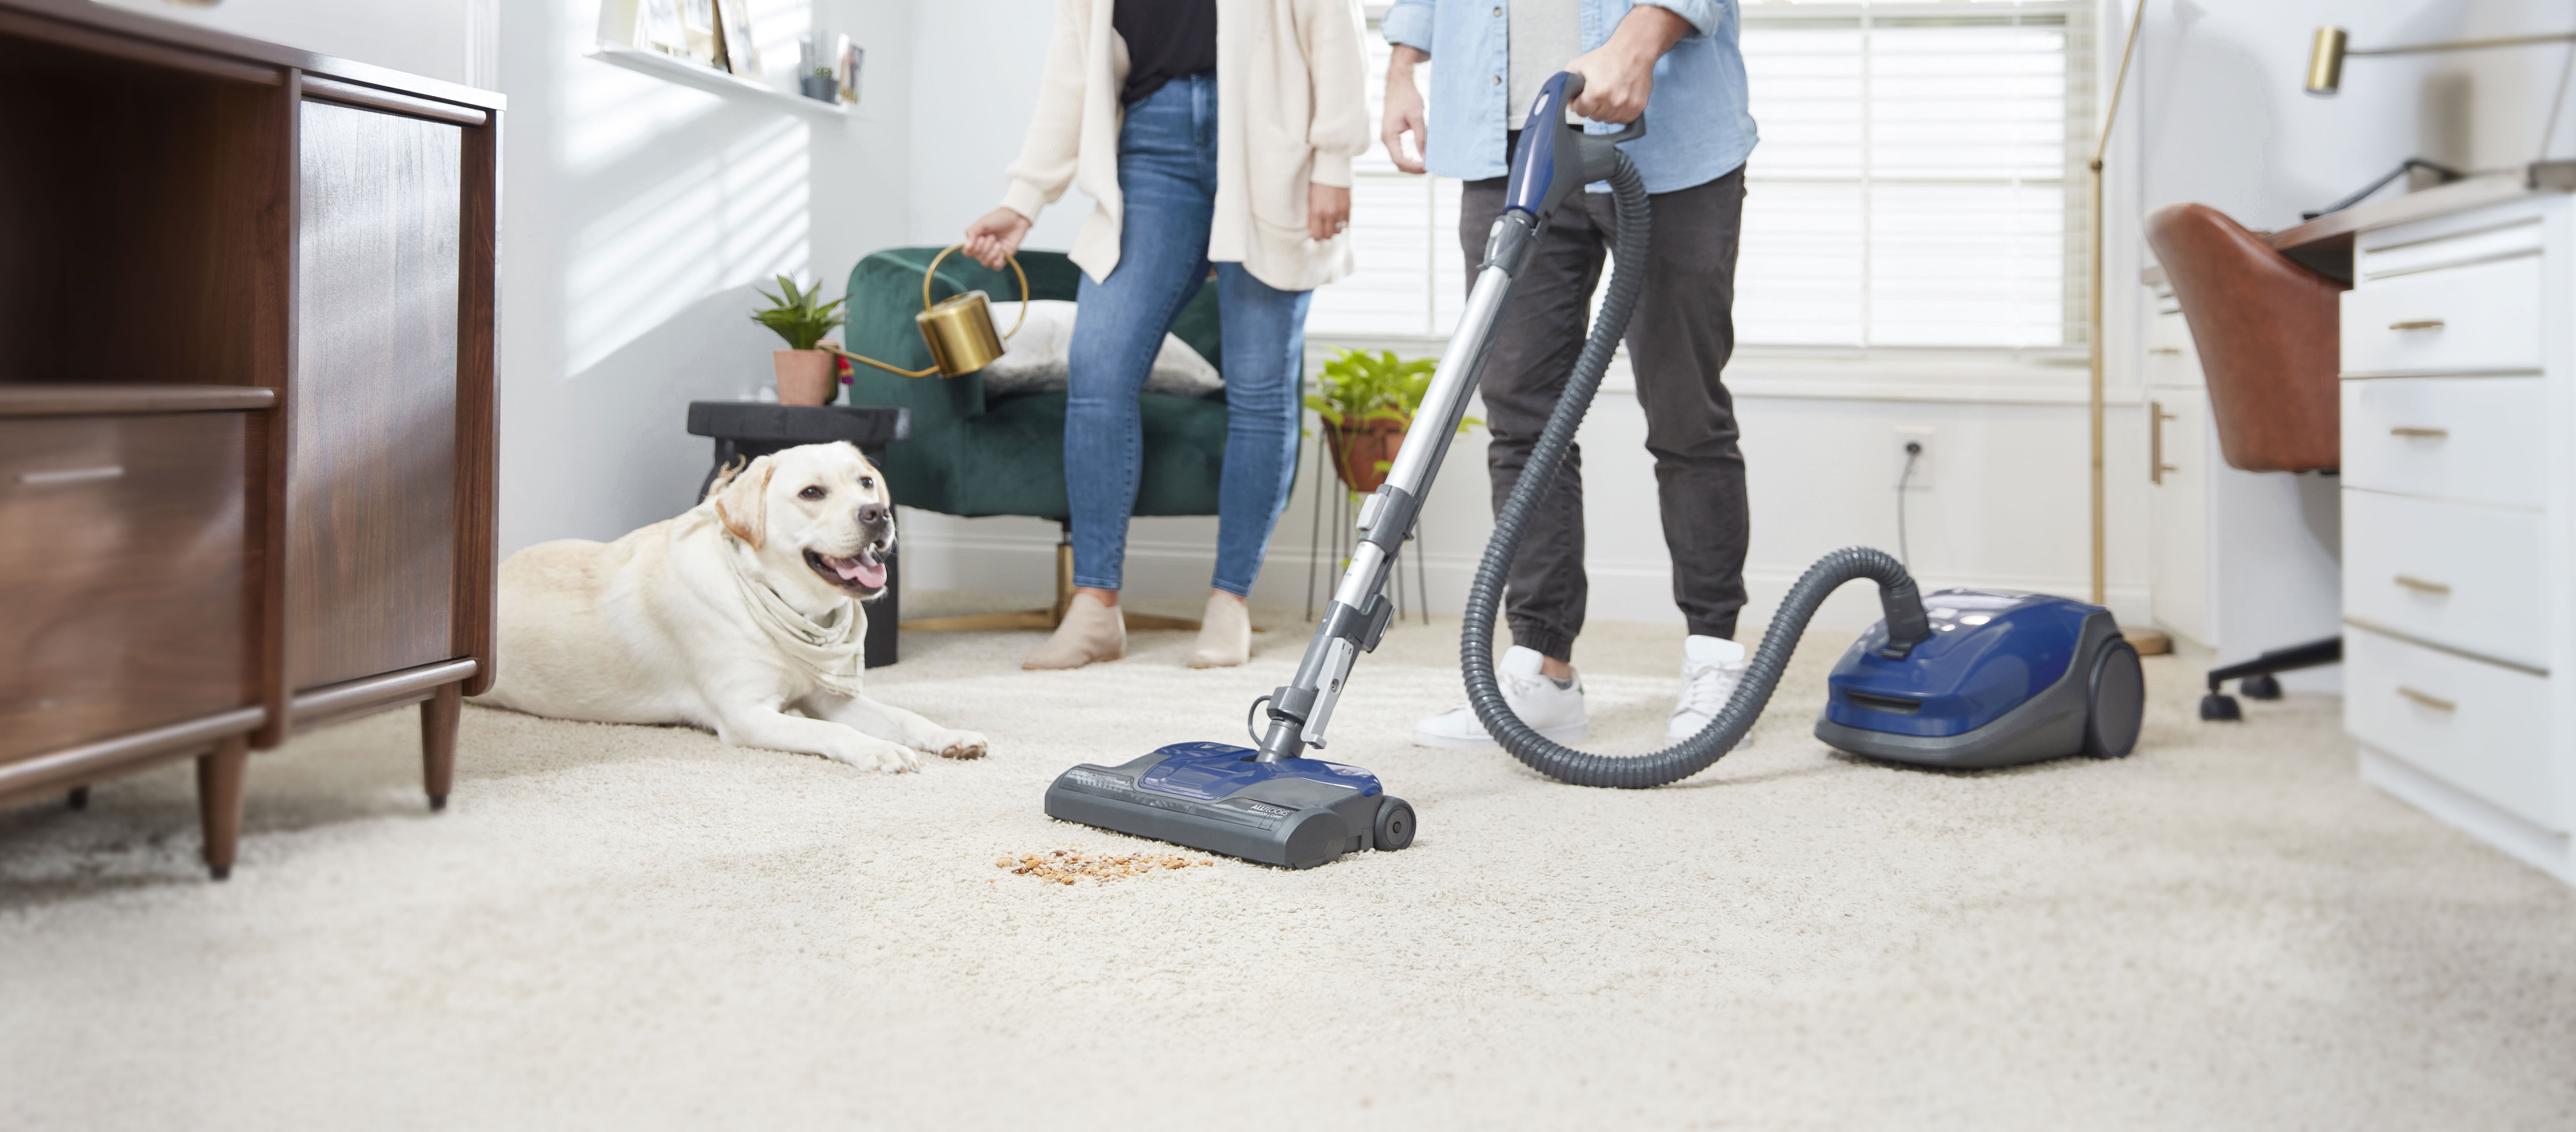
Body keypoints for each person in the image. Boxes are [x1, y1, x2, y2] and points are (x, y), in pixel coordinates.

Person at [1379, 0, 1761, 747]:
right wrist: (1401, 66)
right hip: (1505, 141)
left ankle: (1715, 656)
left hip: (1666, 135)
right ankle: (1543, 668)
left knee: (1686, 410)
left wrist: (1638, 43)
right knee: (1521, 418)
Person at [960, 0, 1372, 671]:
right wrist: (1025, 199)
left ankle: (1230, 603)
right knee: (1099, 368)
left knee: (1260, 385)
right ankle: (1095, 606)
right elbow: (1073, 70)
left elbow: (1331, 24)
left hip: (1272, 140)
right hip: (1151, 145)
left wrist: (1335, 161)